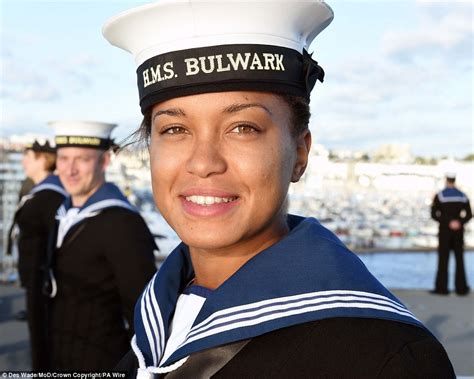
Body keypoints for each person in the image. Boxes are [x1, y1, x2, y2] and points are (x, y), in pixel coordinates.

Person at [103, 1, 455, 377]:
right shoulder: (157, 317)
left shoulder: (385, 357)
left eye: (243, 128)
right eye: (175, 129)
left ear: (300, 153)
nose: (203, 162)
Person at [44, 121, 158, 370]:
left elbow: (141, 313)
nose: (70, 170)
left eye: (82, 159)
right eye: (63, 159)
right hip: (60, 355)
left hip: (102, 361)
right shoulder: (64, 212)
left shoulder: (122, 223)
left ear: (104, 162)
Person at [6, 140, 67, 370]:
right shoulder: (41, 190)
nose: (23, 161)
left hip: (43, 279)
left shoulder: (49, 196)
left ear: (43, 159)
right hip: (36, 277)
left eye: (28, 156)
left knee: (42, 340)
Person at [431, 173, 472, 295]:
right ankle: (461, 289)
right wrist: (459, 222)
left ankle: (442, 289)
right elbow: (469, 214)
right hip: (458, 233)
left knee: (443, 260)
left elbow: (434, 214)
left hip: (444, 232)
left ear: (446, 180)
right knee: (460, 260)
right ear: (454, 180)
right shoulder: (463, 196)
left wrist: (448, 222)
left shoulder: (440, 195)